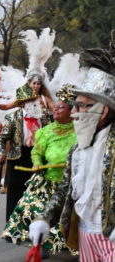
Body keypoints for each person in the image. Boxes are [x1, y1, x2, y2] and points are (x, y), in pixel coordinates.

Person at [29, 44, 115, 261]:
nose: (74, 114)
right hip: (85, 235)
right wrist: (45, 218)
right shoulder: (77, 149)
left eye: (81, 106)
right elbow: (65, 188)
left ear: (103, 110)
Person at [1, 85, 77, 258]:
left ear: (72, 112)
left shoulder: (81, 131)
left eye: (61, 107)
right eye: (55, 106)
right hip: (47, 180)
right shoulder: (44, 131)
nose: (56, 109)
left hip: (73, 182)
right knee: (35, 209)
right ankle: (40, 242)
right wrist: (36, 162)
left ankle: (78, 245)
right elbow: (37, 151)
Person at [0, 82, 49, 221]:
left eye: (33, 100)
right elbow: (2, 138)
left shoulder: (42, 117)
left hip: (37, 157)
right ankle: (12, 223)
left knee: (35, 191)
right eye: (28, 101)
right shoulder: (12, 117)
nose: (32, 103)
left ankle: (33, 222)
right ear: (22, 103)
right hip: (18, 157)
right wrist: (1, 153)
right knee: (15, 190)